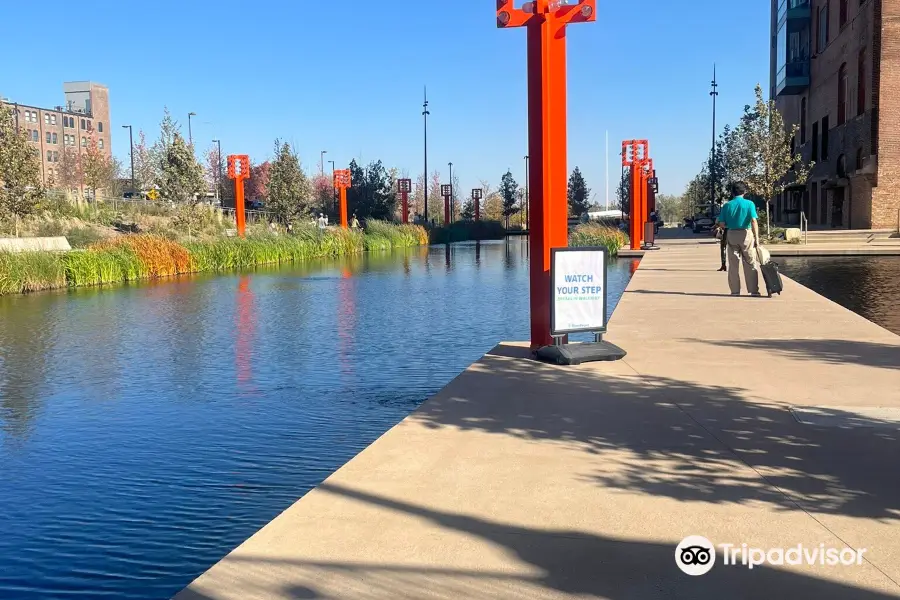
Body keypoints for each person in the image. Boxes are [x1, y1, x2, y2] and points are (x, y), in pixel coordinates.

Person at [716, 182, 762, 297]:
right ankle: (753, 290)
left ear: (732, 192)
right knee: (750, 262)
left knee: (733, 264)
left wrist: (729, 225)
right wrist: (757, 238)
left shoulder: (727, 205)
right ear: (744, 191)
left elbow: (721, 224)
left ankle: (735, 291)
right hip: (746, 234)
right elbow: (754, 221)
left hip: (731, 233)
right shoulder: (749, 204)